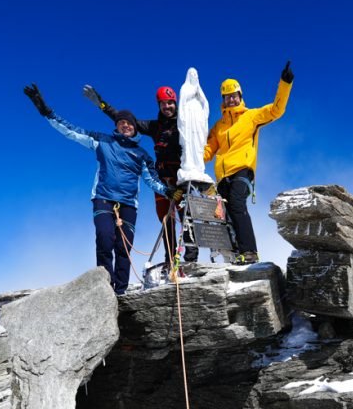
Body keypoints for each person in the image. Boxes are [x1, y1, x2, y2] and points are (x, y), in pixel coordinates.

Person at [23, 83, 182, 294]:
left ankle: (120, 291)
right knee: (105, 240)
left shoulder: (142, 155)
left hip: (128, 205)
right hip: (104, 199)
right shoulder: (102, 141)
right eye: (121, 123)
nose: (125, 125)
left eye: (129, 123)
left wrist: (167, 191)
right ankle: (105, 289)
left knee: (124, 249)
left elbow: (152, 180)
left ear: (136, 128)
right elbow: (71, 132)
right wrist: (46, 112)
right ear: (116, 126)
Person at [83, 83, 198, 269]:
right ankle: (170, 259)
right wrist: (102, 105)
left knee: (186, 216)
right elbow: (126, 120)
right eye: (163, 103)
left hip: (181, 177)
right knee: (166, 219)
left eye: (170, 103)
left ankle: (191, 258)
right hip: (161, 179)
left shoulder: (184, 123)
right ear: (159, 105)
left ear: (176, 103)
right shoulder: (154, 126)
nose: (167, 106)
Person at [204, 61, 293, 264]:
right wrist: (190, 157)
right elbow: (208, 151)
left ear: (240, 96)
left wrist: (285, 83)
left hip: (242, 170)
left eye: (234, 95)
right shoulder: (218, 127)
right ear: (223, 100)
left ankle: (250, 252)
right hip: (222, 177)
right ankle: (236, 253)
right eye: (227, 96)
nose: (231, 99)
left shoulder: (251, 116)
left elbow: (276, 110)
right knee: (223, 214)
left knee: (236, 204)